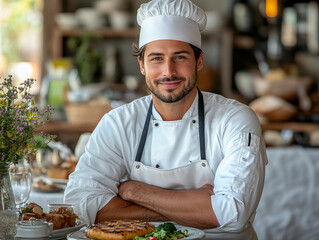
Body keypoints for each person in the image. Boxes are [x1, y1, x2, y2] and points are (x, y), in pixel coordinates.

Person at [64, 0, 268, 239]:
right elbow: (80, 206)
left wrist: (134, 191)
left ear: (199, 60)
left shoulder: (235, 120)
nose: (168, 71)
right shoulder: (118, 123)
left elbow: (232, 215)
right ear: (141, 65)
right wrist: (195, 206)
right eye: (156, 59)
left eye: (180, 57)